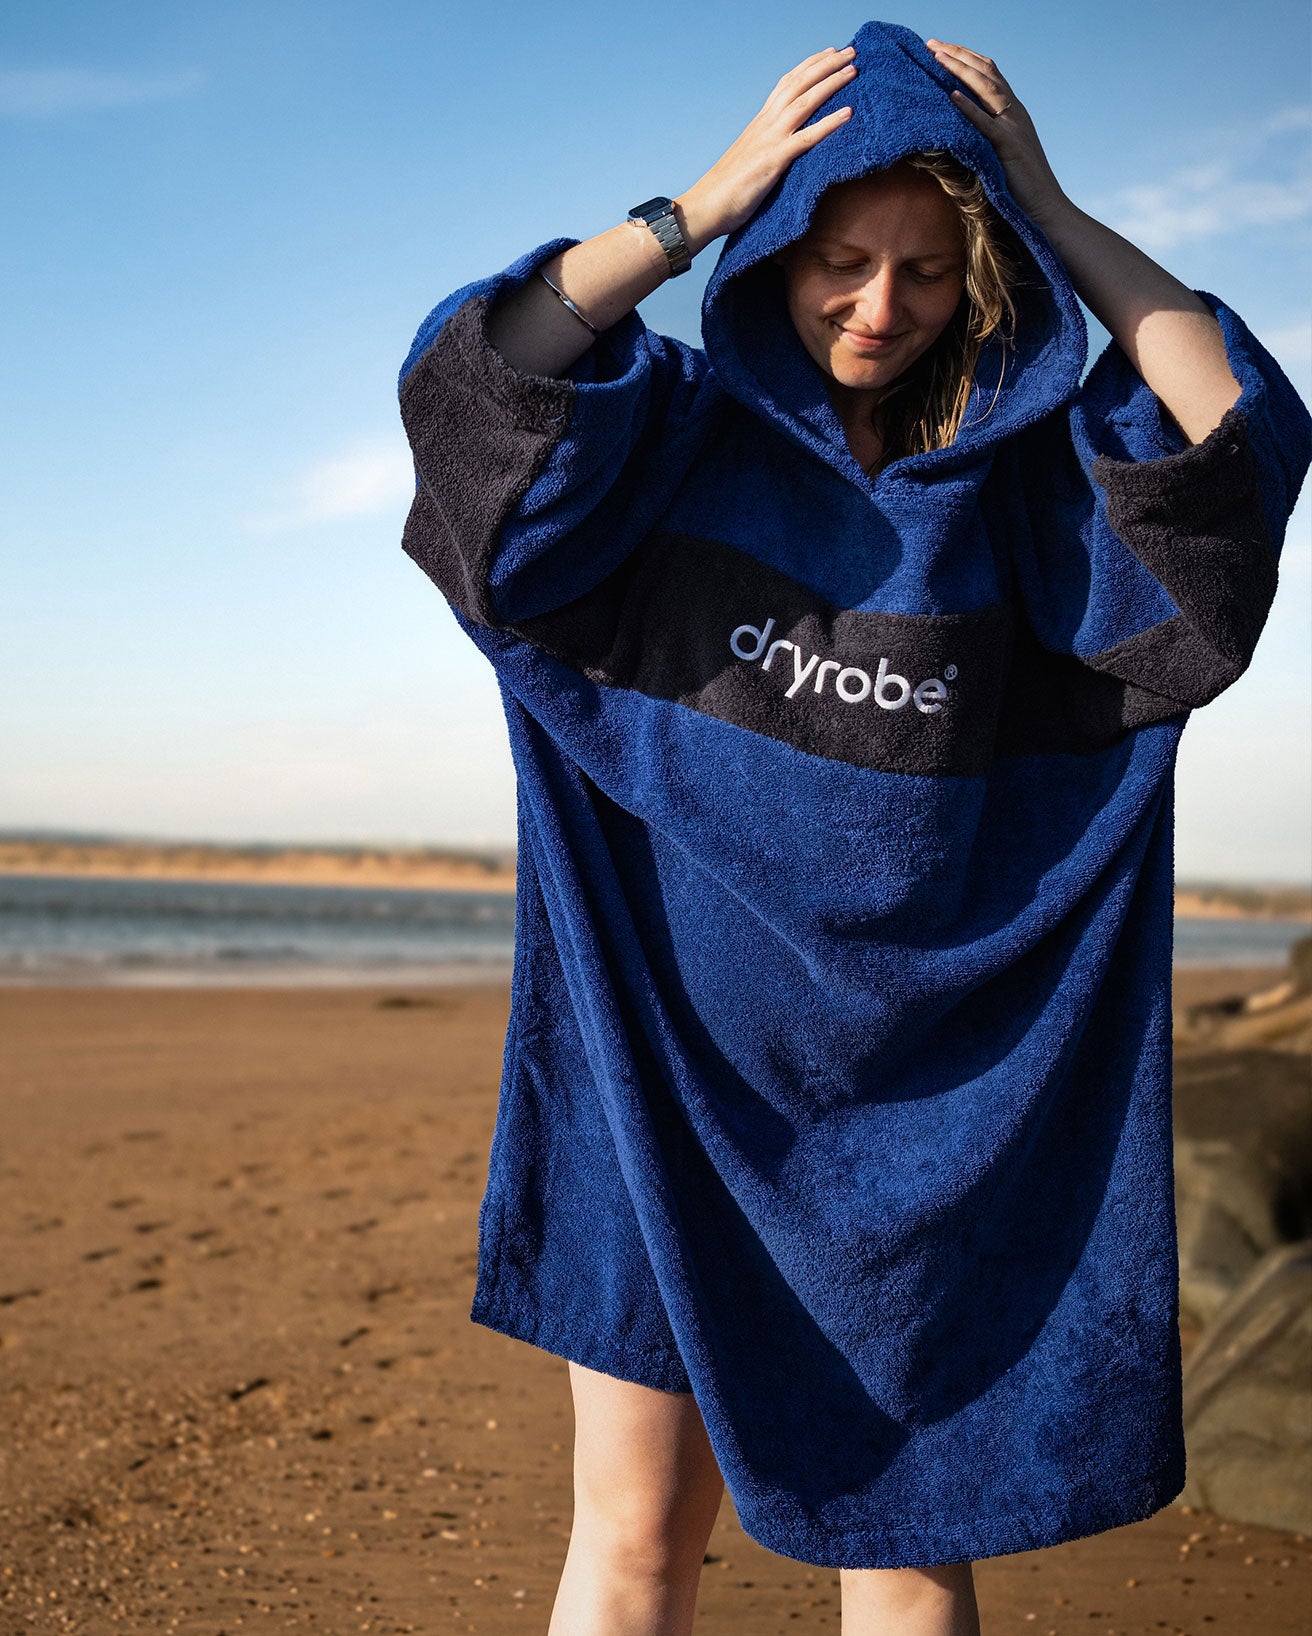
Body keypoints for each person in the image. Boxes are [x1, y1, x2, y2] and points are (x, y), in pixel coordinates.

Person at [396, 20, 1311, 1636]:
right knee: (637, 1535)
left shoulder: (1034, 508)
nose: (880, 305)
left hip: (924, 1141)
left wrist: (1049, 204)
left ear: (985, 281)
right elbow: (480, 391)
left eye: (930, 271)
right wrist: (698, 207)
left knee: (908, 1550)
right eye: (838, 258)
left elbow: (1236, 440)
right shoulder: (666, 446)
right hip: (659, 1086)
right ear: (778, 253)